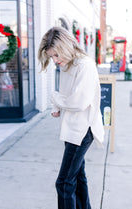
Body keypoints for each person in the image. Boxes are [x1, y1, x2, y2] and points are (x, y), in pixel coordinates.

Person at [38, 27, 104, 209]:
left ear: (66, 46)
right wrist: (57, 105)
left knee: (64, 183)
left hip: (82, 130)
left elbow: (78, 101)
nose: (55, 60)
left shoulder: (84, 65)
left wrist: (54, 98)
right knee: (77, 177)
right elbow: (66, 93)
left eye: (56, 55)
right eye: (52, 57)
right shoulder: (68, 64)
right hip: (72, 129)